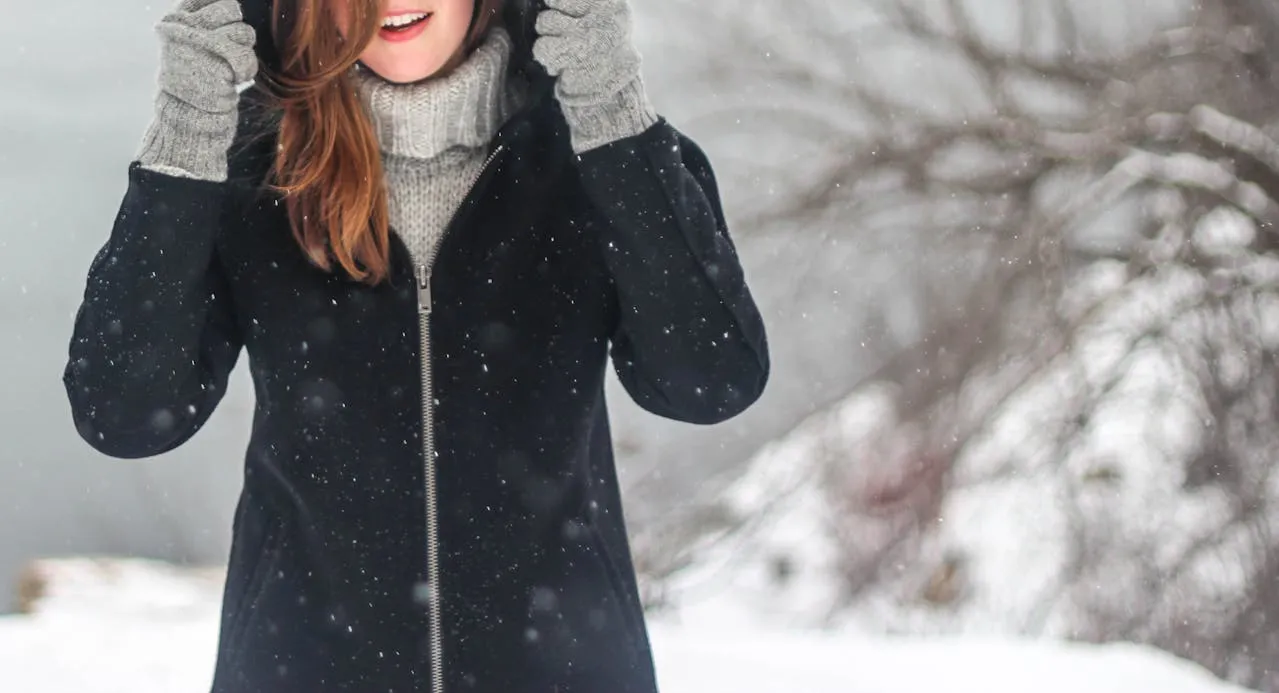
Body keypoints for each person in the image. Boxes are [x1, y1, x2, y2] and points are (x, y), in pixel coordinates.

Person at [62, 0, 769, 690]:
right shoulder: (253, 168)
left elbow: (709, 382)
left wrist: (610, 107)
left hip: (565, 669)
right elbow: (124, 413)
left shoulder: (599, 153)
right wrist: (187, 133)